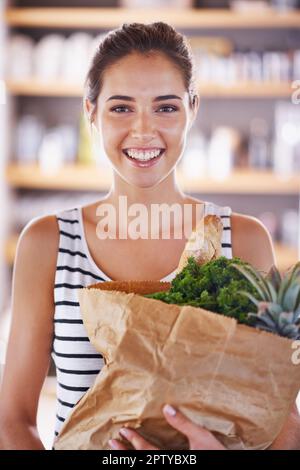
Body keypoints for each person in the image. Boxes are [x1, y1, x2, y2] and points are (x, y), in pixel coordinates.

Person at [0, 22, 299, 450]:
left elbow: (284, 421)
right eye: (121, 108)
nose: (144, 131)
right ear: (91, 112)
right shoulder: (48, 243)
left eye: (166, 107)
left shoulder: (244, 240)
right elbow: (12, 422)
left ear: (192, 109)